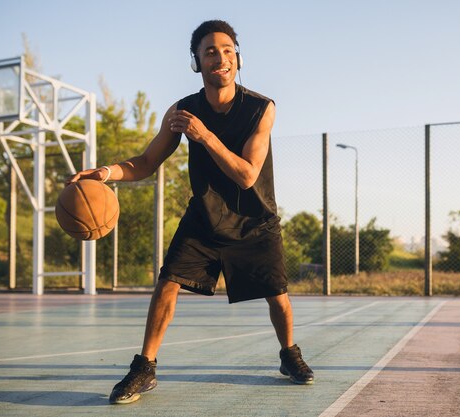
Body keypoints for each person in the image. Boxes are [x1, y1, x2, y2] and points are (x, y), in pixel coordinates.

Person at [68, 20, 314, 405]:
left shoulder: (261, 109)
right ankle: (145, 367)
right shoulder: (183, 109)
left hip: (254, 219)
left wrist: (204, 136)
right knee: (167, 283)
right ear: (196, 62)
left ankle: (289, 354)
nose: (221, 57)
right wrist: (107, 173)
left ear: (238, 57)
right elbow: (147, 161)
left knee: (277, 295)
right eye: (210, 52)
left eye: (227, 49)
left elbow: (248, 175)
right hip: (204, 216)